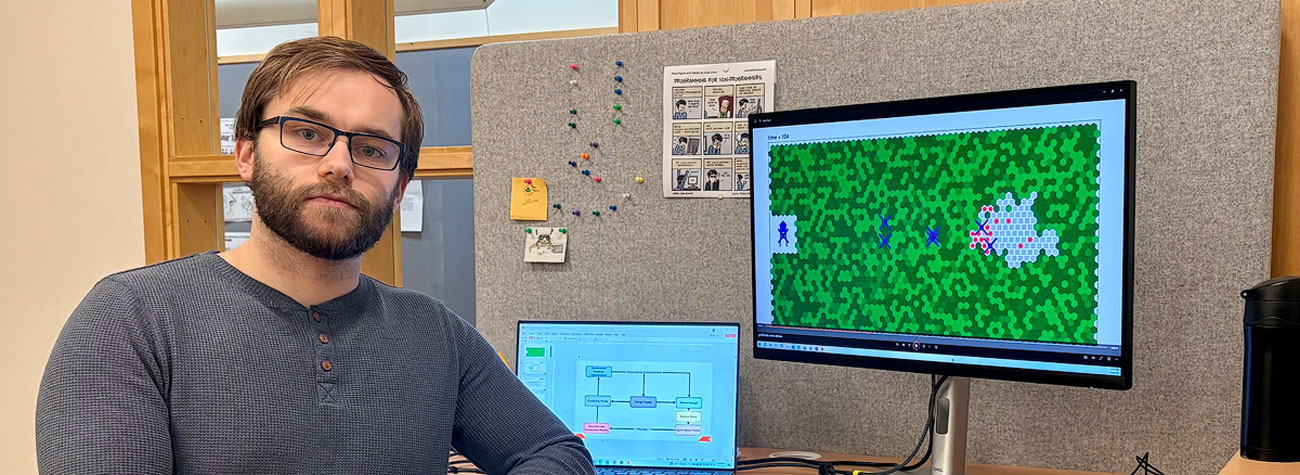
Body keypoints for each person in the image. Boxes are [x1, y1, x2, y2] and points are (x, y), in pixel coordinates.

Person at [35, 36, 594, 475]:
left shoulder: (432, 332)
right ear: (248, 154)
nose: (338, 164)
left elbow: (555, 453)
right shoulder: (130, 321)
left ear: (399, 188)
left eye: (372, 148)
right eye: (306, 132)